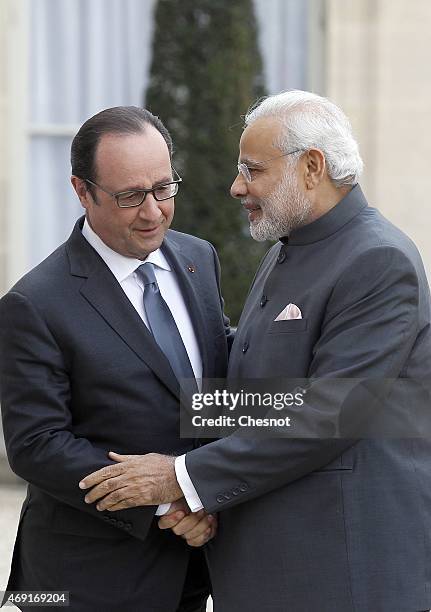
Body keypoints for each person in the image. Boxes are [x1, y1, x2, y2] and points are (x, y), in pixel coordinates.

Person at [81, 91, 431, 612]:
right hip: (274, 568)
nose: (236, 186)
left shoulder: (377, 260)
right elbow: (263, 397)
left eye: (253, 169)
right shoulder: (290, 249)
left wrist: (180, 477)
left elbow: (325, 413)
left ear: (312, 167)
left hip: (340, 575)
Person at [0, 106, 232, 611]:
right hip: (82, 580)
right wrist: (170, 501)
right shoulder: (35, 303)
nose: (153, 212)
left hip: (191, 570)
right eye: (129, 196)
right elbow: (36, 445)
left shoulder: (198, 259)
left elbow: (210, 386)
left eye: (163, 189)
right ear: (81, 191)